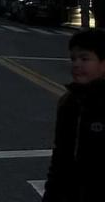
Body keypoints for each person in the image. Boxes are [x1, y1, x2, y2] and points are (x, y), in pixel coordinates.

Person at [42, 28, 105, 202]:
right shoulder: (69, 102)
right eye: (73, 59)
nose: (76, 64)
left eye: (85, 59)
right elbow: (60, 156)